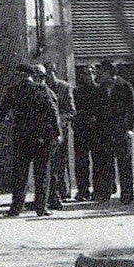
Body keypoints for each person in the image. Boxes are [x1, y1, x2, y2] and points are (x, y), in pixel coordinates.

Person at [0, 64, 61, 217]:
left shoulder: (14, 91)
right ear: (32, 75)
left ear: (20, 75)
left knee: (20, 174)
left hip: (22, 138)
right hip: (41, 138)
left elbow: (1, 112)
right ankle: (41, 208)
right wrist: (57, 133)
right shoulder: (41, 89)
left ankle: (16, 208)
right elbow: (53, 111)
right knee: (42, 174)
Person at [92, 60, 134, 205]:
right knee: (106, 164)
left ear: (110, 72)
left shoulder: (125, 87)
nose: (100, 74)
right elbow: (97, 111)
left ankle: (127, 195)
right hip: (105, 133)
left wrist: (130, 128)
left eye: (102, 71)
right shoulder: (99, 90)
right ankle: (105, 193)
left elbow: (132, 110)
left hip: (122, 132)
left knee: (124, 165)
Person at [44, 62, 76, 209]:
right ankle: (50, 194)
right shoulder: (42, 88)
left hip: (60, 131)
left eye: (50, 72)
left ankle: (61, 193)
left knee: (59, 163)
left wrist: (59, 120)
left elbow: (71, 111)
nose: (48, 76)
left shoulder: (64, 87)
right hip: (45, 132)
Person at [71, 64, 99, 202]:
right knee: (81, 162)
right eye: (84, 74)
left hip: (95, 131)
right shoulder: (77, 91)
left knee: (98, 161)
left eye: (90, 73)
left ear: (94, 74)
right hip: (81, 130)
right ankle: (83, 190)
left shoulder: (99, 90)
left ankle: (98, 189)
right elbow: (74, 109)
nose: (87, 76)